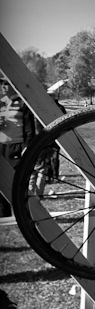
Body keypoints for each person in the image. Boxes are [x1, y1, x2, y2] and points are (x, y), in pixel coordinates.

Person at [0, 79, 35, 218]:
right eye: (1, 84)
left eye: (6, 83)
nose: (3, 86)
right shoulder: (1, 102)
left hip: (16, 147)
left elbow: (29, 128)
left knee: (16, 183)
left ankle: (24, 216)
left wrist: (27, 147)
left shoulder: (22, 103)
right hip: (1, 146)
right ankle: (4, 217)